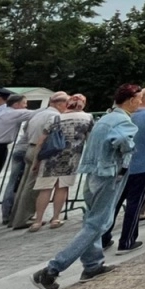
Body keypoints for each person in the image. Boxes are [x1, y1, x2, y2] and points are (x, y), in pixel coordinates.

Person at [31, 85, 143, 289]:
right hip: (110, 174)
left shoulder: (107, 118)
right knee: (98, 224)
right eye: (138, 98)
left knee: (92, 219)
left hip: (94, 173)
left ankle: (92, 265)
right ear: (129, 100)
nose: (140, 102)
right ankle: (51, 269)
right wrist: (128, 149)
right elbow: (122, 142)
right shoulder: (123, 121)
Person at [102, 88, 145, 251]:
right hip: (143, 165)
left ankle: (103, 238)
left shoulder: (121, 115)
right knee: (135, 203)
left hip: (119, 166)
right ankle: (127, 240)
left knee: (114, 203)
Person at [30, 94, 94, 231]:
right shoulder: (87, 118)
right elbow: (90, 139)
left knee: (45, 189)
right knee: (62, 188)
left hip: (50, 157)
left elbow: (41, 141)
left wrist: (36, 161)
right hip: (71, 158)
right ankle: (55, 218)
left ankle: (38, 220)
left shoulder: (55, 118)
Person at [9, 92, 69, 230]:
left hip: (30, 147)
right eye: (66, 103)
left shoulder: (38, 113)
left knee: (25, 184)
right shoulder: (54, 116)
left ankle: (15, 217)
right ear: (59, 104)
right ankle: (23, 219)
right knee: (33, 187)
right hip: (40, 150)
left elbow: (25, 129)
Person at [0, 93, 31, 190]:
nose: (26, 106)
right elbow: (38, 113)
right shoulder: (13, 113)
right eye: (24, 103)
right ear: (16, 105)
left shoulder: (0, 112)